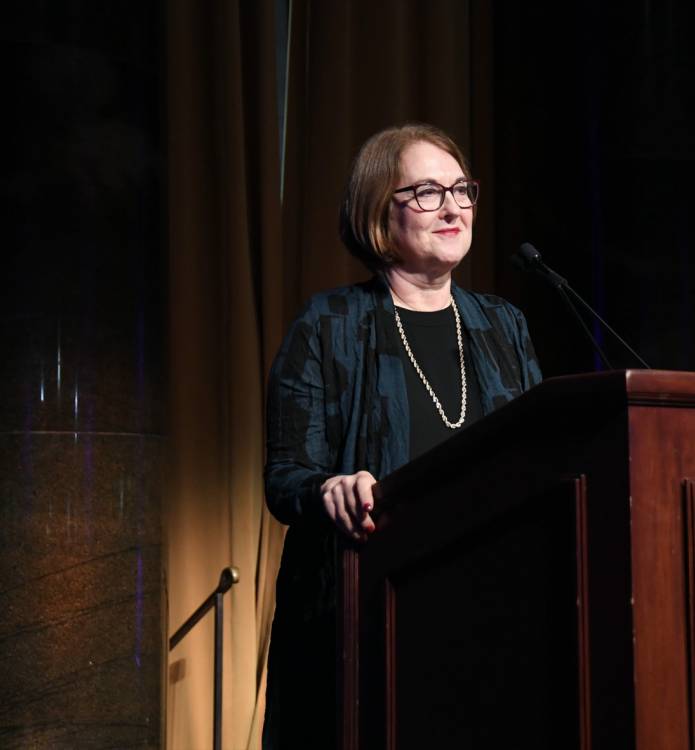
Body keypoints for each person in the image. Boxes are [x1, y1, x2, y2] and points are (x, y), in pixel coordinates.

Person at [261, 123, 542, 747]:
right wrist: (329, 488)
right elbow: (285, 477)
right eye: (426, 192)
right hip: (367, 623)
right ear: (377, 212)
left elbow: (535, 462)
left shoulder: (503, 326)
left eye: (461, 190)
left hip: (488, 615)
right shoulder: (329, 324)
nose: (452, 208)